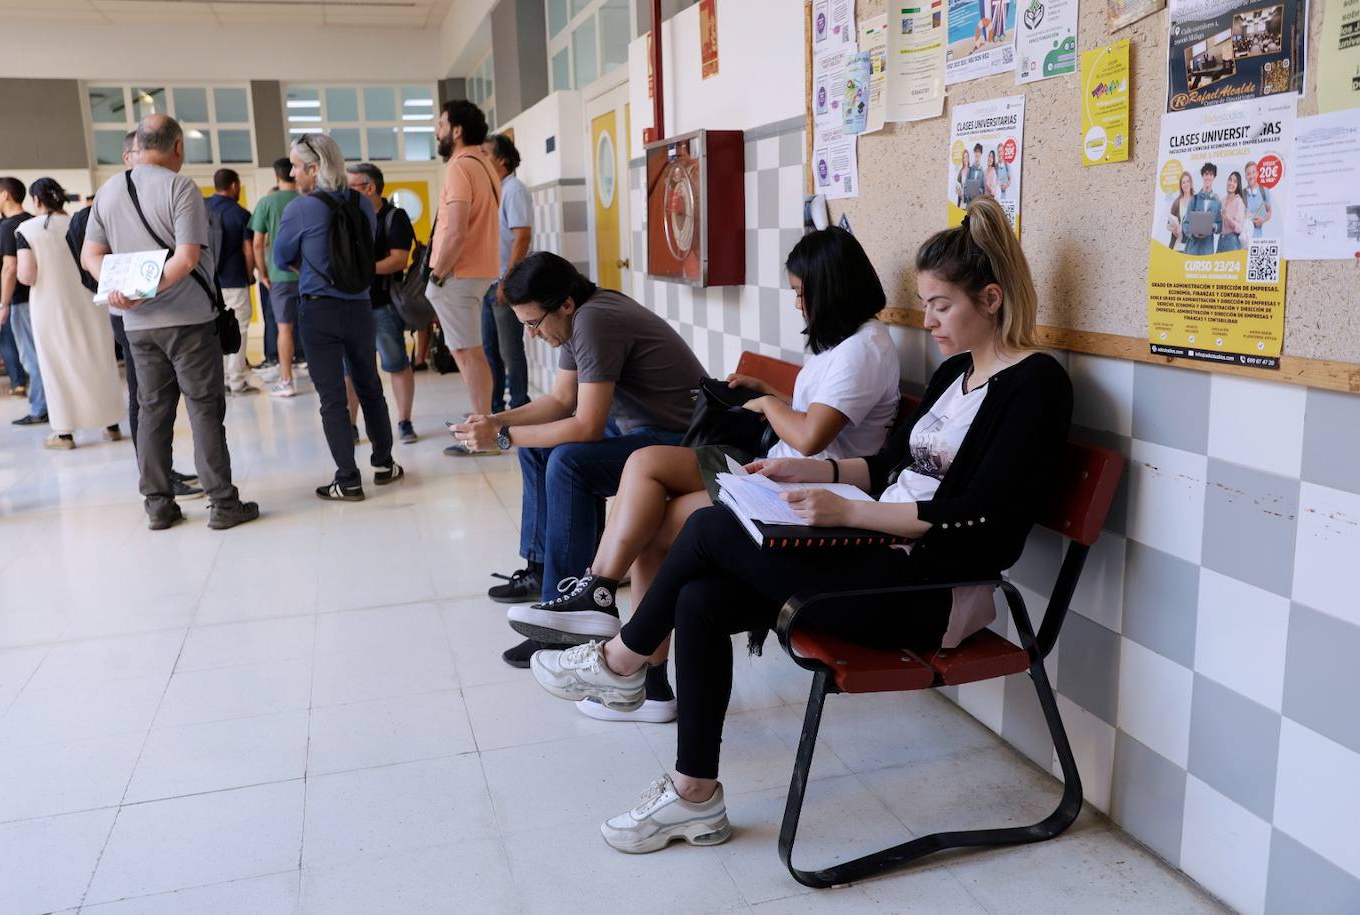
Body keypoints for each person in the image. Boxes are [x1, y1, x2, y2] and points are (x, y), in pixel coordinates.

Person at [525, 197, 1072, 854]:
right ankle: (694, 794)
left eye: (941, 305)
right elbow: (886, 465)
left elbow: (988, 523)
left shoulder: (1036, 384)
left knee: (708, 531)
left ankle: (621, 659)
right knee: (698, 598)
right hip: (874, 555)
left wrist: (851, 511)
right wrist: (814, 477)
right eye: (924, 303)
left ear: (991, 297)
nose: (926, 321)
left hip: (928, 588)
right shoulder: (959, 373)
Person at [505, 227, 902, 722]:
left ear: (832, 287)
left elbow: (810, 436)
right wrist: (766, 388)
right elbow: (814, 408)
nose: (799, 304)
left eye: (803, 293)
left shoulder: (865, 348)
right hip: (777, 469)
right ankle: (600, 595)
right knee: (642, 463)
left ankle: (644, 680)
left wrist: (767, 402)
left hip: (806, 488)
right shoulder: (841, 342)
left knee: (655, 524)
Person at [449, 253, 706, 667]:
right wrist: (497, 420)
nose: (531, 334)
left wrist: (501, 437)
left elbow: (586, 425)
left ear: (565, 303)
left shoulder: (594, 321)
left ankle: (562, 617)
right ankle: (543, 569)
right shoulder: (579, 315)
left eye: (534, 322)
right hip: (644, 433)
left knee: (570, 462)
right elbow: (561, 400)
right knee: (540, 449)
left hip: (680, 442)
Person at [81, 113, 259, 531]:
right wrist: (149, 288)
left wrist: (121, 290)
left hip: (137, 325)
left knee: (153, 412)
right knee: (203, 410)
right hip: (190, 321)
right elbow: (187, 258)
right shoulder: (180, 186)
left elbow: (90, 255)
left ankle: (158, 506)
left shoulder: (108, 191)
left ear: (138, 145)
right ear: (178, 147)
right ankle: (223, 504)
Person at [273, 133, 404, 501]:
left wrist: (313, 271)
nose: (293, 173)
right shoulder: (362, 204)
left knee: (332, 396)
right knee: (369, 386)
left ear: (314, 169)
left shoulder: (300, 209)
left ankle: (347, 479)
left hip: (319, 309)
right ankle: (384, 463)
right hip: (361, 307)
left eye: (297, 167)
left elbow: (281, 257)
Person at [72, 131, 202, 497]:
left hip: (133, 308)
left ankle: (158, 487)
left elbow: (88, 258)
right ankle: (161, 481)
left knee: (152, 401)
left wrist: (124, 290)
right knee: (155, 400)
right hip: (140, 312)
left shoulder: (114, 198)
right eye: (131, 153)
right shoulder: (121, 197)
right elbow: (89, 257)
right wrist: (130, 291)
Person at [13, 178, 125, 450]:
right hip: (91, 302)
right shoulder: (83, 223)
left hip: (51, 306)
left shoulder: (27, 229)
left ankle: (65, 433)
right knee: (98, 359)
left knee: (57, 365)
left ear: (37, 201)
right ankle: (110, 424)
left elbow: (27, 276)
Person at [427, 99, 503, 440]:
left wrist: (436, 274)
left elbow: (456, 232)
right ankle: (481, 420)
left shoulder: (460, 166)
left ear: (456, 131)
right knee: (471, 350)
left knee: (466, 352)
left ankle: (482, 431)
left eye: (441, 125)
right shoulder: (485, 164)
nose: (437, 131)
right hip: (480, 268)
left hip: (458, 272)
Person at [346, 162, 418, 444]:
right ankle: (350, 426)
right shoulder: (349, 217)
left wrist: (363, 269)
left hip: (383, 304)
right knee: (350, 370)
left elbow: (399, 259)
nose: (345, 192)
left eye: (350, 186)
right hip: (351, 305)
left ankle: (404, 422)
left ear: (369, 187)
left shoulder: (394, 216)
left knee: (396, 363)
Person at [480, 132, 532, 414]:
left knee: (510, 351)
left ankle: (520, 407)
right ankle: (495, 408)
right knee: (489, 350)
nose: (481, 159)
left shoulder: (514, 190)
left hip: (503, 283)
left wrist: (507, 281)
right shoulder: (495, 190)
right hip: (487, 283)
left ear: (501, 159)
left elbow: (522, 237)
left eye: (485, 154)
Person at [0, 176, 49, 426]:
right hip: (41, 296)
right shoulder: (34, 221)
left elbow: (10, 268)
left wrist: (3, 305)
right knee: (43, 354)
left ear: (5, 195)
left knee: (30, 356)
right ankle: (50, 405)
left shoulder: (8, 227)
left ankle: (39, 408)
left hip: (19, 300)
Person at [252, 157, 304, 397]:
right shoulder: (308, 200)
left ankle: (286, 380)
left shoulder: (267, 203)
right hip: (309, 274)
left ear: (276, 177)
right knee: (315, 325)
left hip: (279, 275)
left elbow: (257, 244)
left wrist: (263, 273)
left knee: (284, 329)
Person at [206, 168, 256, 395]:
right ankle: (236, 381)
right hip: (234, 280)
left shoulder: (201, 208)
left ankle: (221, 380)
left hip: (207, 284)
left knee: (212, 332)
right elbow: (249, 250)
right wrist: (249, 276)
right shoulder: (241, 214)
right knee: (239, 330)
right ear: (234, 186)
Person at [0, 195, 24, 389]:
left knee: (4, 331)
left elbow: (9, 266)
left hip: (0, 287)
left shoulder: (3, 226)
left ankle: (18, 381)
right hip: (13, 286)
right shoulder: (2, 225)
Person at [1183, 162, 1222, 256]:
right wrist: (1193, 233)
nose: (1208, 177)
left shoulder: (1217, 202)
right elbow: (1186, 223)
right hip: (1192, 249)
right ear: (1202, 176)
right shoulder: (1194, 199)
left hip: (1207, 250)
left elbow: (1220, 225)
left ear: (1214, 177)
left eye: (1211, 174)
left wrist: (1213, 226)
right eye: (1206, 174)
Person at [1217, 171, 1248, 253]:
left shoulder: (1239, 201)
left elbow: (1239, 228)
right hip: (1221, 240)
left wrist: (1227, 218)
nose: (1231, 183)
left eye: (1235, 181)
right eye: (1230, 180)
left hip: (1232, 241)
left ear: (1238, 185)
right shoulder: (1222, 200)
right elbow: (1219, 224)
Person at [1243, 160, 1272, 239]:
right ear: (1245, 176)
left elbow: (1269, 212)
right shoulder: (1242, 194)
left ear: (1257, 173)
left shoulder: (1264, 191)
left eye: (1253, 172)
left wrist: (1263, 220)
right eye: (1248, 174)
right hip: (1243, 238)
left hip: (1257, 237)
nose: (1251, 176)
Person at [1167, 171, 1194, 250]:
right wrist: (1175, 230)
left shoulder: (1197, 201)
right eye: (1183, 182)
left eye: (1188, 181)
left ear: (1191, 183)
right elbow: (1168, 225)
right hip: (1178, 246)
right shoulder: (1177, 202)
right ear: (1181, 186)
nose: (1186, 184)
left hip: (1192, 247)